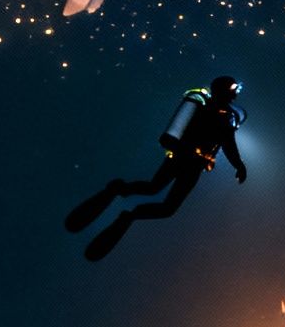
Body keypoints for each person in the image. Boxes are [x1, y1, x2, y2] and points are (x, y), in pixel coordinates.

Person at [67, 76, 248, 261]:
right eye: (233, 89)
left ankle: (125, 208)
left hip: (191, 164)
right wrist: (238, 165)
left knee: (163, 202)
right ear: (224, 90)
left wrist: (239, 165)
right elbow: (227, 143)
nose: (235, 94)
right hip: (182, 159)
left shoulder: (226, 116)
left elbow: (228, 143)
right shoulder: (213, 111)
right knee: (155, 191)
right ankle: (119, 197)